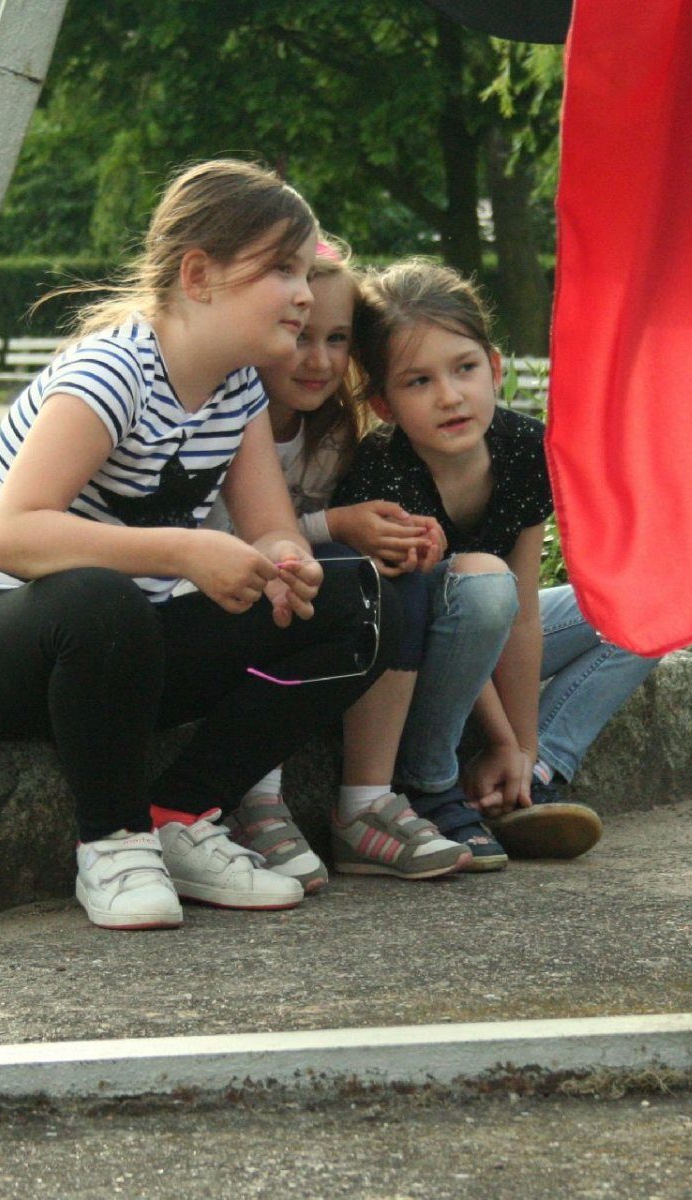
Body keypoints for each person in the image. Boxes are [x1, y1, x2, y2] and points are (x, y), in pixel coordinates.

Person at [0, 160, 398, 931]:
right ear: (198, 276)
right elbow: (15, 535)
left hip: (118, 651)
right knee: (99, 596)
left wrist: (286, 565)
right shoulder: (113, 370)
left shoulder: (238, 386)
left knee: (356, 603)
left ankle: (182, 814)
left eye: (307, 271)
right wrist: (184, 554)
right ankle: (113, 844)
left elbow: (270, 524)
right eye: (282, 269)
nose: (305, 293)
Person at [333, 258, 661, 869]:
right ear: (383, 403)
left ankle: (534, 777)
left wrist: (523, 747)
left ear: (495, 367)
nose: (450, 396)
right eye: (418, 381)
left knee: (647, 605)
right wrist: (503, 736)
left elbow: (524, 614)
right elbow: (460, 623)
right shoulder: (384, 472)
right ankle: (433, 780)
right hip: (413, 664)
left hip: (490, 626)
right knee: (483, 585)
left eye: (465, 368)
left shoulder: (525, 448)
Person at [201, 240, 472, 887]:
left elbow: (317, 538)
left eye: (337, 339)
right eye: (300, 337)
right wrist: (336, 525)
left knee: (382, 576)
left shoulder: (329, 434)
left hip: (292, 585)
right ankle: (254, 796)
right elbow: (223, 540)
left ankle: (365, 804)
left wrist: (401, 536)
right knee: (292, 577)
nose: (319, 360)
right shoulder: (222, 417)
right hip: (214, 596)